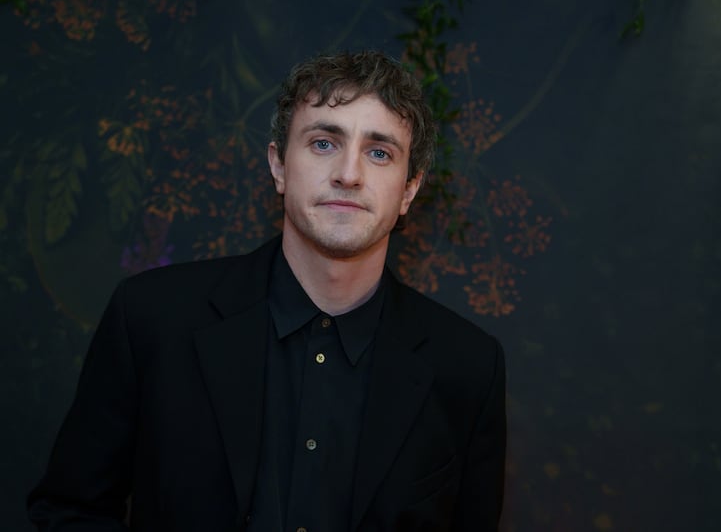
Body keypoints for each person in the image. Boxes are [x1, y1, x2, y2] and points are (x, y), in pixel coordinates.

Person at [28, 50, 506, 532]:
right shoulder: (151, 317)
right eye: (323, 143)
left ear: (409, 189)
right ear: (278, 165)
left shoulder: (467, 367)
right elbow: (70, 513)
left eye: (379, 152)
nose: (349, 173)